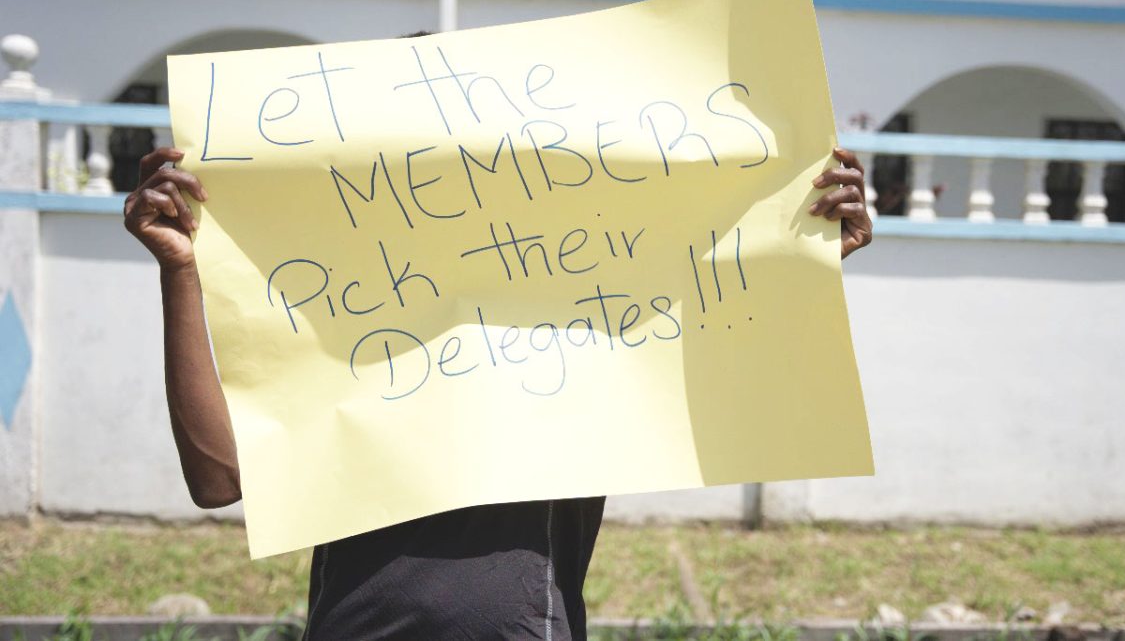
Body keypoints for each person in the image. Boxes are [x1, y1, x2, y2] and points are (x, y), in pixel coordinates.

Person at [124, 136, 871, 640]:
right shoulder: (336, 342)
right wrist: (180, 269)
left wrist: (794, 248)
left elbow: (725, 348)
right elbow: (219, 477)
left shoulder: (588, 328)